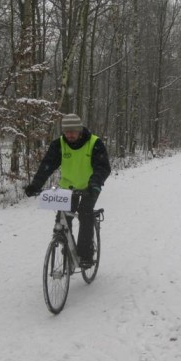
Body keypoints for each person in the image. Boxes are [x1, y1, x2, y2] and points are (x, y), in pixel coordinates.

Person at [24, 113, 111, 268]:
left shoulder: (94, 143)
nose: (69, 135)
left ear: (80, 130)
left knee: (85, 213)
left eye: (73, 131)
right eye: (66, 131)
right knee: (62, 220)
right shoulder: (59, 144)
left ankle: (86, 255)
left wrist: (95, 183)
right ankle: (67, 253)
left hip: (90, 186)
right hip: (68, 187)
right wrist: (35, 185)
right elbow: (47, 166)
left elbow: (103, 167)